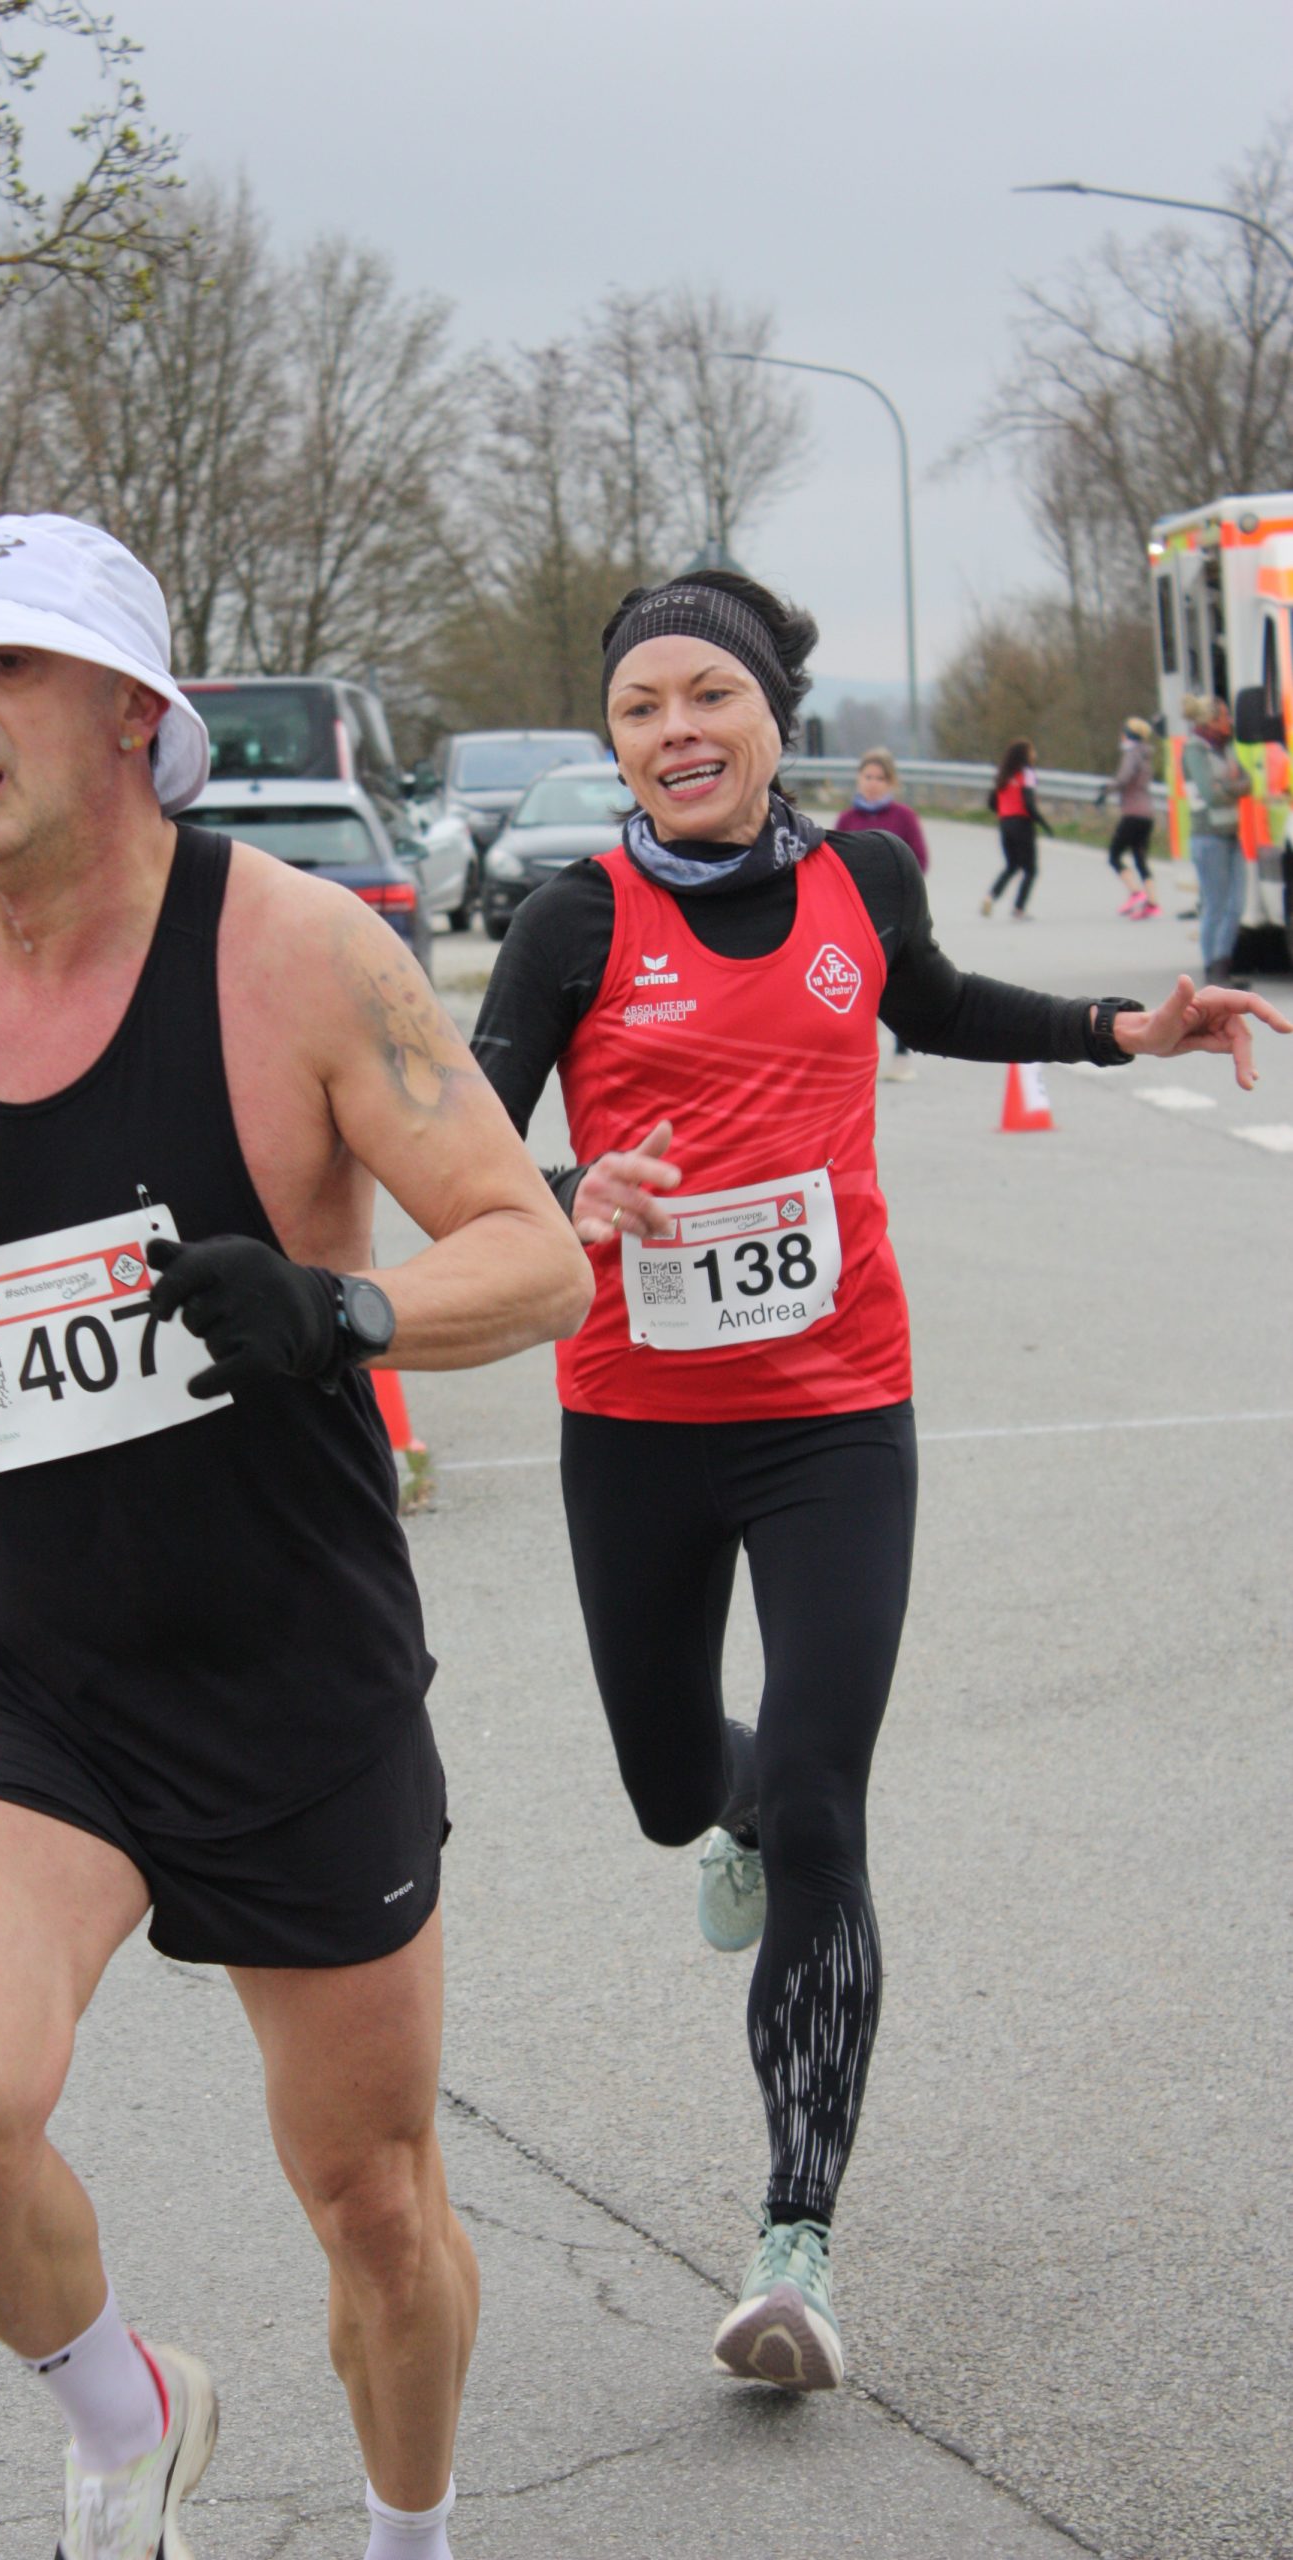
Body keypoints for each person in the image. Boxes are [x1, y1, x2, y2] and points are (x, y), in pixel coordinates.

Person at [0, 514, 592, 2560]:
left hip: (287, 1680)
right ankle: (127, 2417)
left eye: (4, 670)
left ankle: (408, 2530)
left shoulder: (296, 955)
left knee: (372, 2204)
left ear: (133, 712)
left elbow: (535, 1252)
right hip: (21, 1680)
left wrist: (342, 1311)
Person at [469, 565, 1288, 2395]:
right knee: (674, 1790)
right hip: (633, 1421)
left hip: (836, 1413)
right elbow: (460, 1143)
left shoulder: (864, 876)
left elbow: (931, 1001)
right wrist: (566, 1194)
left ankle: (794, 2241)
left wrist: (1119, 1030)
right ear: (617, 742)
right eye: (639, 708)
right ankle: (736, 1807)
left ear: (773, 717)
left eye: (709, 696)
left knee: (827, 1801)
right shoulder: (569, 921)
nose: (676, 730)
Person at [833, 747, 928, 1079]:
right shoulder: (847, 820)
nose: (872, 783)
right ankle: (861, 1060)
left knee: (898, 985)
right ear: (859, 779)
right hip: (856, 916)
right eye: (868, 776)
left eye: (880, 778)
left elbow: (920, 860)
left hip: (895, 914)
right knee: (861, 987)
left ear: (891, 783)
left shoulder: (904, 817)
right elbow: (833, 864)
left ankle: (902, 1055)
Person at [1181, 693, 1251, 986]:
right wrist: (1232, 787)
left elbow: (1248, 782)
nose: (1229, 721)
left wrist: (1227, 786)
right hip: (1208, 837)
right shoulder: (1195, 751)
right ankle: (1213, 969)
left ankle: (1224, 964)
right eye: (1224, 716)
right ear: (1211, 721)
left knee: (1236, 903)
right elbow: (1210, 795)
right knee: (1215, 904)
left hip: (1232, 834)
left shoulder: (1227, 748)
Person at [982, 739, 1053, 919]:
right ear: (1025, 755)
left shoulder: (1003, 774)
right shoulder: (1027, 774)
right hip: (1022, 824)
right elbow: (1028, 803)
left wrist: (1005, 812)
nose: (1035, 754)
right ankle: (1019, 908)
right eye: (1032, 751)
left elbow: (991, 802)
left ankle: (991, 896)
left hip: (1005, 824)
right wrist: (1043, 823)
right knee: (1030, 869)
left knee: (1012, 865)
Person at [1098, 716, 1160, 916]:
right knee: (1140, 858)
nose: (1121, 736)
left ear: (1129, 735)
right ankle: (1152, 902)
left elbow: (1124, 778)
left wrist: (1107, 789)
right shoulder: (1146, 756)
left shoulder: (1131, 754)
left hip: (1132, 813)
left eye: (1124, 732)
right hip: (1147, 814)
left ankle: (1136, 893)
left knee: (1114, 855)